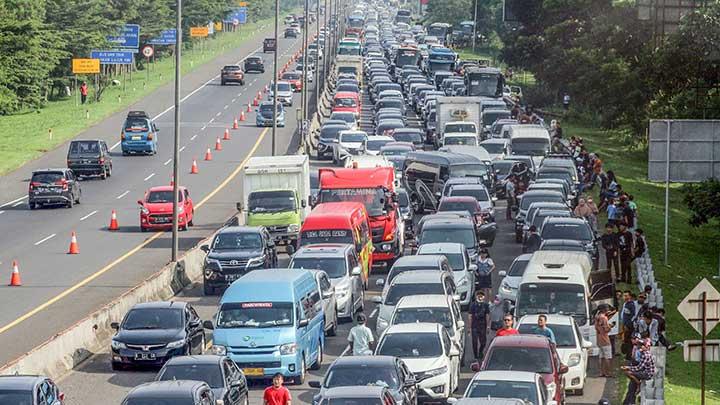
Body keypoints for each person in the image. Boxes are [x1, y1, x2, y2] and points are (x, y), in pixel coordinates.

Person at [621, 338, 656, 405]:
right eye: (640, 345)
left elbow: (639, 367)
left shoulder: (646, 355)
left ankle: (638, 383)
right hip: (643, 371)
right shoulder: (642, 352)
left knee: (628, 373)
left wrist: (628, 368)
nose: (640, 347)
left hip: (647, 374)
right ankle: (637, 383)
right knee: (629, 374)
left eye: (642, 345)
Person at [467, 290, 491, 361]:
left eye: (482, 296)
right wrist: (469, 327)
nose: (480, 297)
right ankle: (475, 356)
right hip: (474, 325)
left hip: (483, 325)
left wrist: (488, 326)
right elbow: (470, 316)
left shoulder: (486, 305)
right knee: (474, 342)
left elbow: (487, 315)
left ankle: (480, 352)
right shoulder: (473, 305)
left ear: (484, 297)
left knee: (483, 342)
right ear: (476, 296)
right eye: (479, 296)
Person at [595, 304, 615, 377]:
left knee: (601, 357)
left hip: (599, 339)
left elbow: (597, 328)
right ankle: (608, 373)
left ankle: (601, 372)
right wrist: (611, 326)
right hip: (605, 339)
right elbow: (606, 329)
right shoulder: (604, 318)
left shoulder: (597, 317)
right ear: (604, 309)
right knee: (608, 357)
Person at [621, 290, 637, 360]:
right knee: (626, 340)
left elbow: (633, 316)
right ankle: (628, 355)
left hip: (629, 326)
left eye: (626, 296)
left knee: (628, 341)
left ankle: (629, 356)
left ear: (630, 296)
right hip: (625, 324)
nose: (625, 297)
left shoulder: (631, 304)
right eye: (624, 296)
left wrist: (628, 325)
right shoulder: (625, 304)